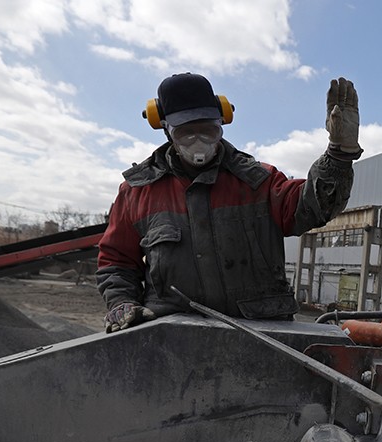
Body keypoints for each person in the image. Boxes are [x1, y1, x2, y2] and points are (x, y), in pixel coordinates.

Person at [97, 72, 361, 332]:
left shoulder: (258, 182)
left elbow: (313, 206)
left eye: (208, 131)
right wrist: (121, 301)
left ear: (221, 123)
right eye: (187, 133)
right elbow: (116, 261)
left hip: (261, 337)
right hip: (172, 337)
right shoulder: (137, 193)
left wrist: (339, 155)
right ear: (166, 130)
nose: (199, 142)